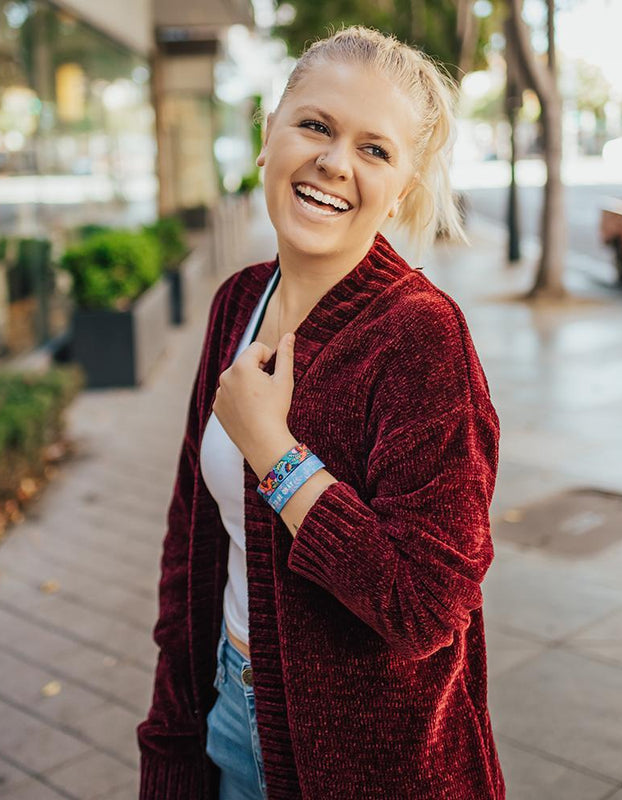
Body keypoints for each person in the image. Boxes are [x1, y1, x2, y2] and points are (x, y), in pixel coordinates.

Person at [138, 24, 505, 800]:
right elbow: (191, 547)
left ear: (402, 186)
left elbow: (424, 606)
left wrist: (275, 452)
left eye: (375, 149)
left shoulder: (421, 338)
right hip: (226, 722)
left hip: (376, 772)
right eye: (315, 125)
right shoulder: (236, 302)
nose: (335, 163)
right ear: (268, 137)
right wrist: (172, 738)